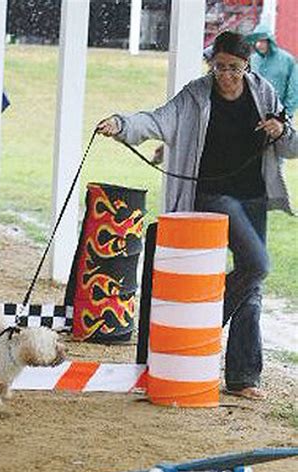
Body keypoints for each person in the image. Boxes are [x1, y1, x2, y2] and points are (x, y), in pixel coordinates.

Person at [97, 31, 297, 400]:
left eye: (234, 68)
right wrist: (122, 125)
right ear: (212, 64)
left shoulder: (264, 92)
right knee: (259, 264)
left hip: (253, 197)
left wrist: (281, 129)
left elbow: (291, 144)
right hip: (212, 198)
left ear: (247, 65)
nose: (226, 75)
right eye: (219, 66)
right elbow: (157, 120)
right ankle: (206, 323)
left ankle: (242, 377)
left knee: (252, 284)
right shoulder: (195, 95)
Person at [247, 23, 298, 118]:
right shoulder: (252, 60)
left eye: (262, 41)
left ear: (270, 41)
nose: (259, 44)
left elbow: (294, 88)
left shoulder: (287, 60)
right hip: (255, 113)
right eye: (257, 41)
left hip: (279, 113)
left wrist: (286, 113)